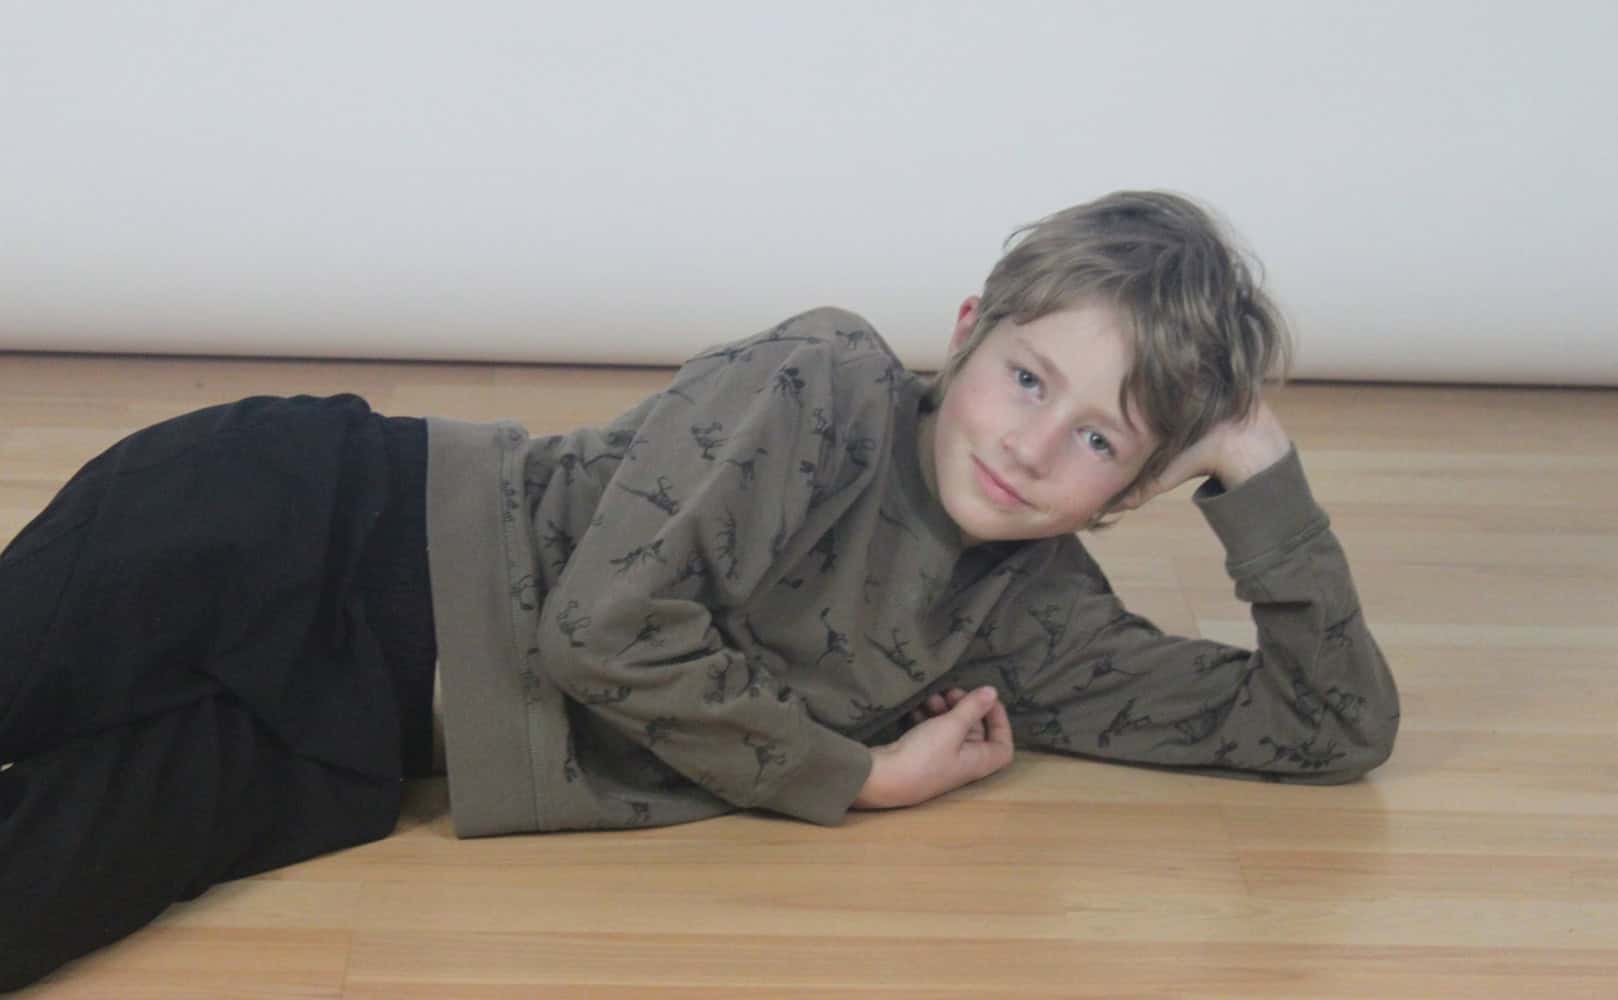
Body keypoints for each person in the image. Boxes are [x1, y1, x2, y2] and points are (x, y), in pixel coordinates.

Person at [0, 190, 1399, 990]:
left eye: (1101, 440)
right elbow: (599, 628)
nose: (1034, 447)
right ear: (968, 331)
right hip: (309, 519)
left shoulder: (1035, 626)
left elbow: (1327, 729)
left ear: (1139, 486)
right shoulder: (823, 383)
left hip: (369, 741)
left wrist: (1255, 465)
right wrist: (857, 775)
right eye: (1028, 378)